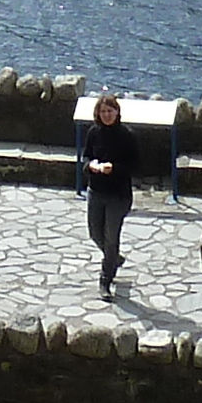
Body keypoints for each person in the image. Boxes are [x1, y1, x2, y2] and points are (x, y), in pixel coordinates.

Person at [81, 93, 140, 293]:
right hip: (96, 190)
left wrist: (113, 168)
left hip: (118, 195)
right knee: (94, 233)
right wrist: (92, 166)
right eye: (103, 111)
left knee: (111, 236)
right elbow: (86, 156)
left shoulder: (127, 135)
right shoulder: (93, 133)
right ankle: (114, 257)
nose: (107, 115)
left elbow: (135, 164)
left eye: (110, 111)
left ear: (117, 112)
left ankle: (105, 279)